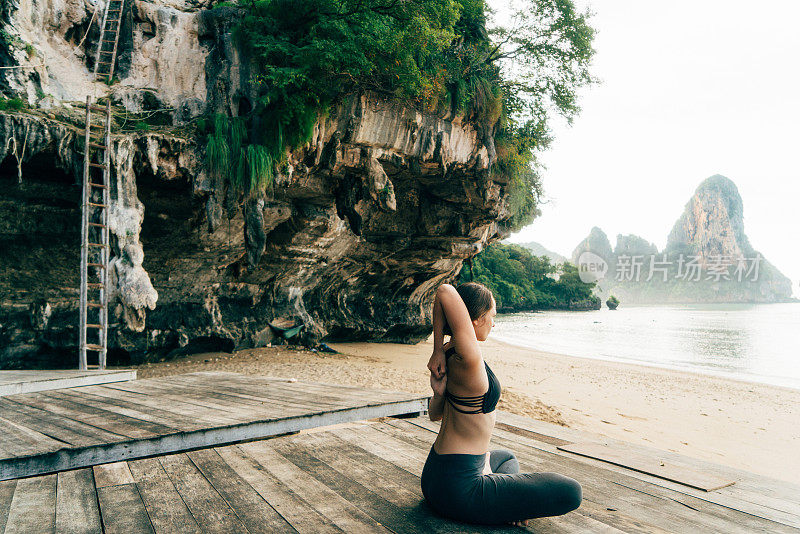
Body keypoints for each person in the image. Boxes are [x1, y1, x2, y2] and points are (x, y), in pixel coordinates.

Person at [421, 282, 582, 527]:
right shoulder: (469, 358)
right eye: (491, 316)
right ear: (474, 320)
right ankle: (508, 507)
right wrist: (434, 350)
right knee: (572, 491)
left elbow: (435, 415)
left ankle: (508, 503)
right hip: (460, 490)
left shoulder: (451, 354)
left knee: (506, 458)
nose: (494, 324)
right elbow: (444, 290)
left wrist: (439, 393)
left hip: (435, 477)